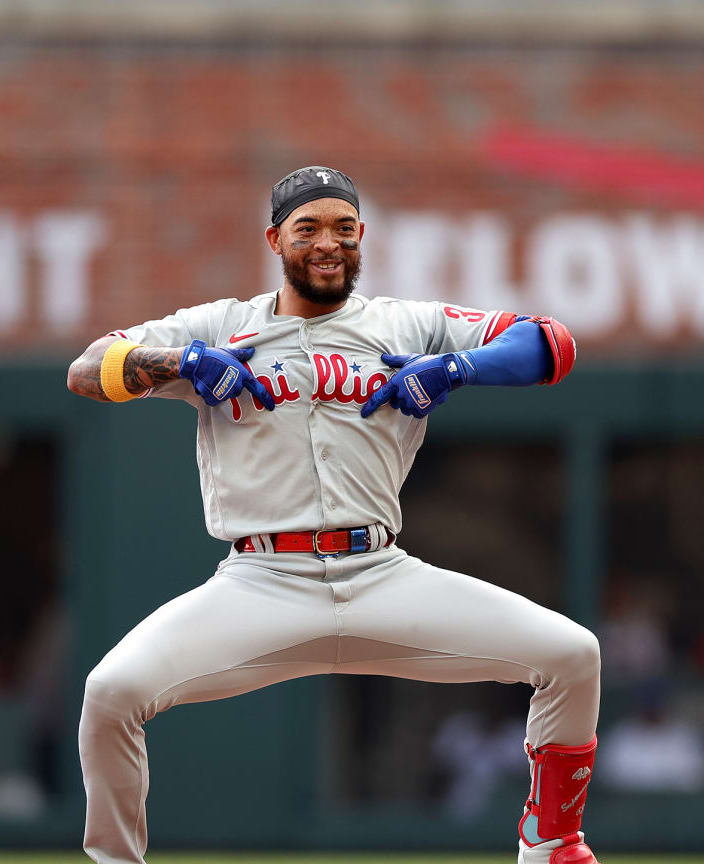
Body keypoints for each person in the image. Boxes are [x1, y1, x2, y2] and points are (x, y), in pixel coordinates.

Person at [66, 166, 598, 864]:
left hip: (381, 573)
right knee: (111, 693)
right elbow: (87, 369)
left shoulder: (406, 323)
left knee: (572, 656)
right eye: (308, 228)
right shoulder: (222, 324)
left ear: (360, 238)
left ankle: (551, 844)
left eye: (343, 229)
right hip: (260, 581)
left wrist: (455, 369)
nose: (327, 243)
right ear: (275, 239)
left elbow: (551, 344)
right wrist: (183, 362)